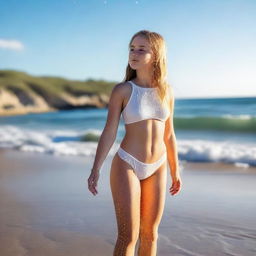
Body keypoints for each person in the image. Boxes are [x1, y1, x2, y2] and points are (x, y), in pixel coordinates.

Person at [87, 30, 182, 256]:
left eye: (141, 49)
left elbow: (169, 134)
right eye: (131, 48)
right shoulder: (123, 90)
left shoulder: (167, 92)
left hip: (157, 166)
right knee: (128, 236)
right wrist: (95, 168)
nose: (134, 53)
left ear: (156, 55)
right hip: (127, 164)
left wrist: (175, 170)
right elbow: (110, 130)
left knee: (150, 234)